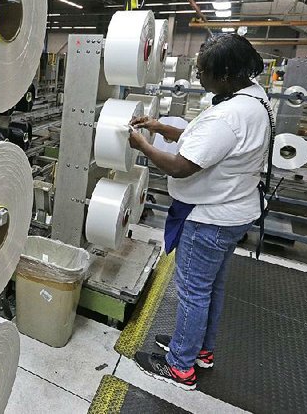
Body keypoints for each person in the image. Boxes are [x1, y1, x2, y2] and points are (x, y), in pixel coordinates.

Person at [127, 33, 272, 391]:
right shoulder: (251, 98)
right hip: (234, 210)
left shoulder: (231, 115)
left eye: (203, 71)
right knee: (211, 287)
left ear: (224, 74)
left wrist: (143, 145)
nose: (198, 78)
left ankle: (180, 367)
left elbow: (181, 166)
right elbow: (205, 141)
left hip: (210, 217)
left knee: (193, 291)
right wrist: (162, 128)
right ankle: (199, 350)